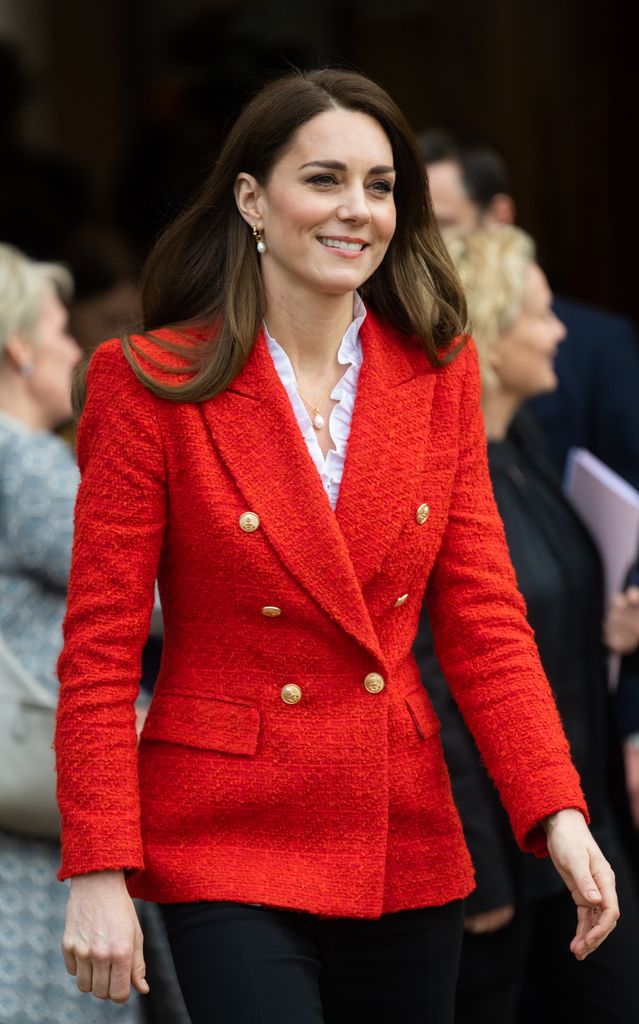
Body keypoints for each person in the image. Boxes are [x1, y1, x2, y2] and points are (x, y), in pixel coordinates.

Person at [54, 69, 618, 1024]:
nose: (357, 208)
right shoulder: (148, 381)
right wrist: (99, 866)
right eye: (323, 179)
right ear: (251, 199)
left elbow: (484, 620)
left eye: (380, 184)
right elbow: (100, 649)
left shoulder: (438, 370)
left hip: (401, 829)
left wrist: (554, 811)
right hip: (225, 833)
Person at [414, 224, 639, 1023]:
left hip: (576, 812)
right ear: (490, 332)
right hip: (498, 847)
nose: (560, 334)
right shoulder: (445, 472)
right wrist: (476, 862)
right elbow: (434, 668)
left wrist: (611, 627)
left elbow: (543, 609)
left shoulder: (522, 446)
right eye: (540, 314)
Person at [0, 242, 141, 1023]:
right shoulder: (23, 461)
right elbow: (152, 592)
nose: (73, 348)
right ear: (17, 349)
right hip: (36, 811)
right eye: (58, 330)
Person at [416, 127, 639, 491]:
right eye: (413, 227)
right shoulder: (393, 338)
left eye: (442, 225)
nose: (422, 246)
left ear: (499, 215)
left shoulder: (596, 344)